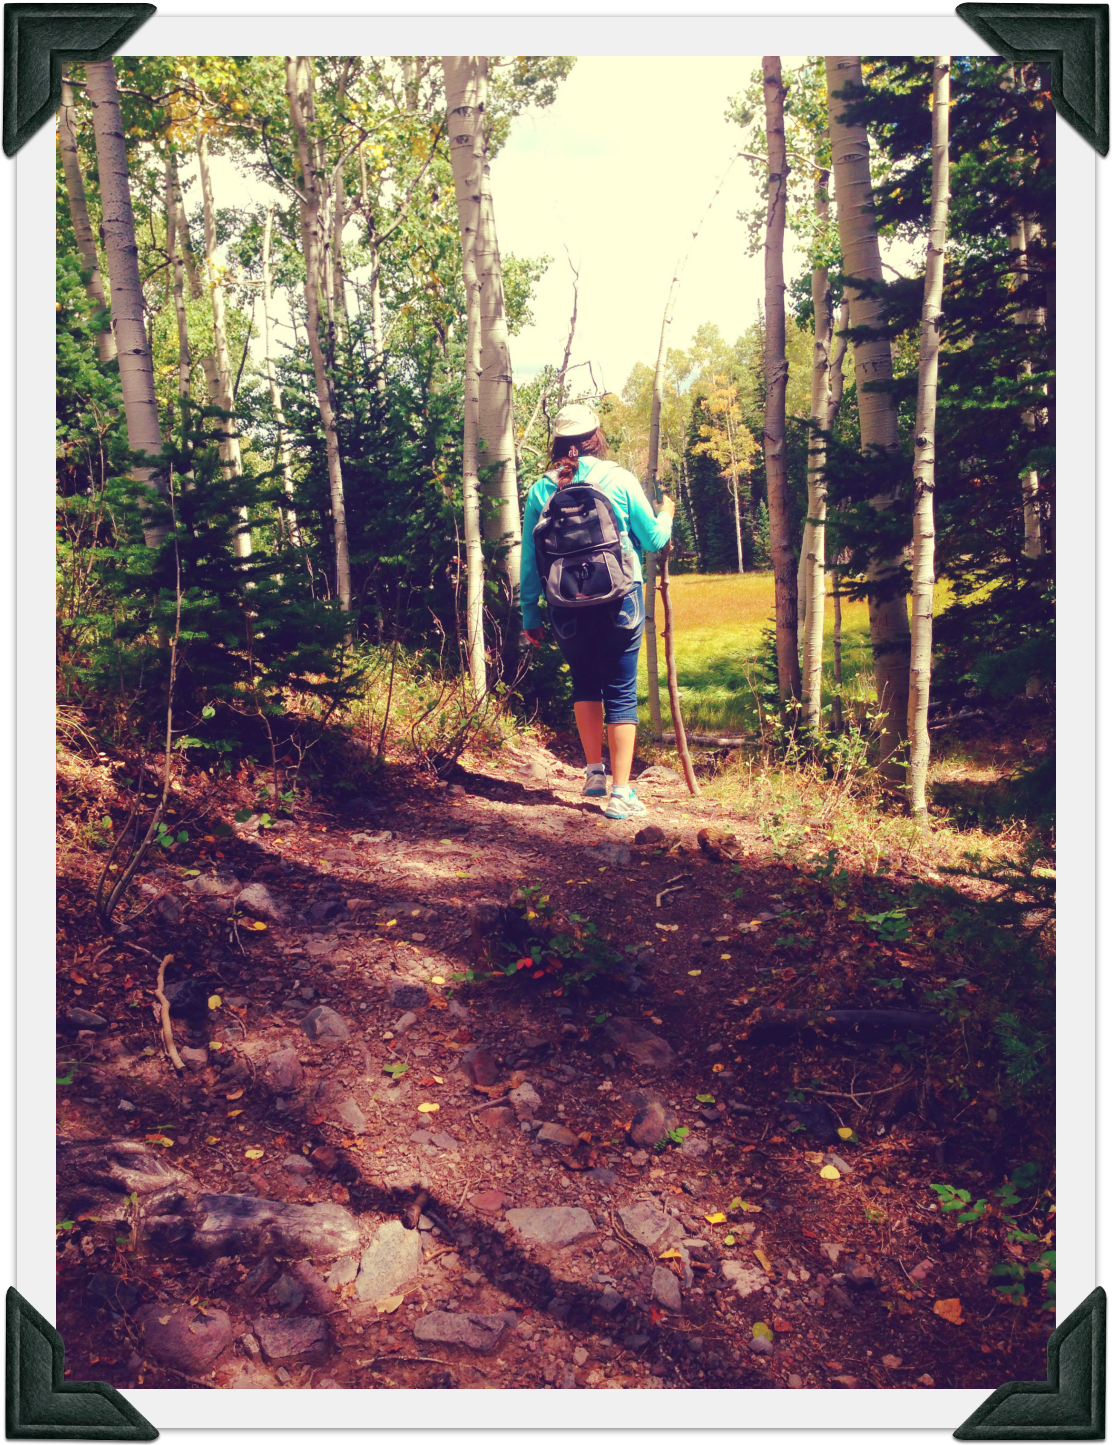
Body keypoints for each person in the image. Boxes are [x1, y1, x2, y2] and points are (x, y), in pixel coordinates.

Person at [520, 403, 675, 820]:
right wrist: (668, 512)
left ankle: (593, 773)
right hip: (620, 599)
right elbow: (655, 538)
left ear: (558, 444)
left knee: (584, 682)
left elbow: (531, 561)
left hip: (564, 604)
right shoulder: (619, 478)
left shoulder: (540, 490)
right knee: (621, 690)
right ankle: (622, 794)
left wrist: (529, 614)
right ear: (596, 436)